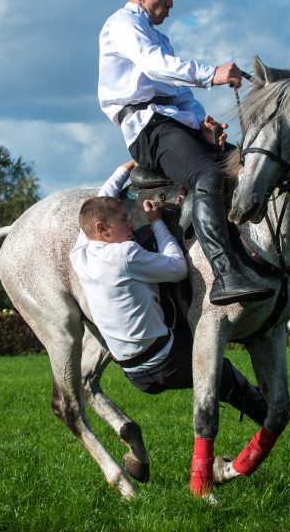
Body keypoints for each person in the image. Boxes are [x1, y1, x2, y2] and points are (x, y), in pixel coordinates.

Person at [98, 0, 290, 306]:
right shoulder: (122, 25)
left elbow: (178, 93)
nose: (170, 6)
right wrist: (212, 73)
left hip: (172, 122)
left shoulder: (158, 36)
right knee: (208, 174)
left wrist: (202, 123)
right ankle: (225, 273)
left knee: (255, 167)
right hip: (147, 128)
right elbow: (156, 66)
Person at [70, 162, 268, 421]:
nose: (129, 222)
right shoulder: (125, 254)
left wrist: (123, 169)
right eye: (122, 218)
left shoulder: (79, 252)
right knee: (221, 372)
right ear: (101, 228)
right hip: (166, 362)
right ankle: (268, 422)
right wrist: (157, 224)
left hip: (132, 373)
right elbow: (177, 268)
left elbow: (99, 199)